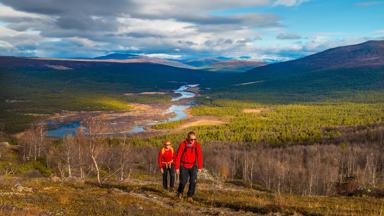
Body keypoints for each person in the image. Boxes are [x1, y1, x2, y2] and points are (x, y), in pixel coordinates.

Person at [175, 131, 203, 203]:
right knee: (183, 181)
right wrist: (177, 168)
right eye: (191, 139)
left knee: (193, 181)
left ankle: (190, 196)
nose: (193, 141)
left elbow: (199, 156)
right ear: (188, 138)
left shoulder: (197, 145)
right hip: (183, 165)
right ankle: (180, 192)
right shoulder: (183, 145)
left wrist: (200, 167)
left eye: (194, 139)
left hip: (193, 165)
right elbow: (178, 156)